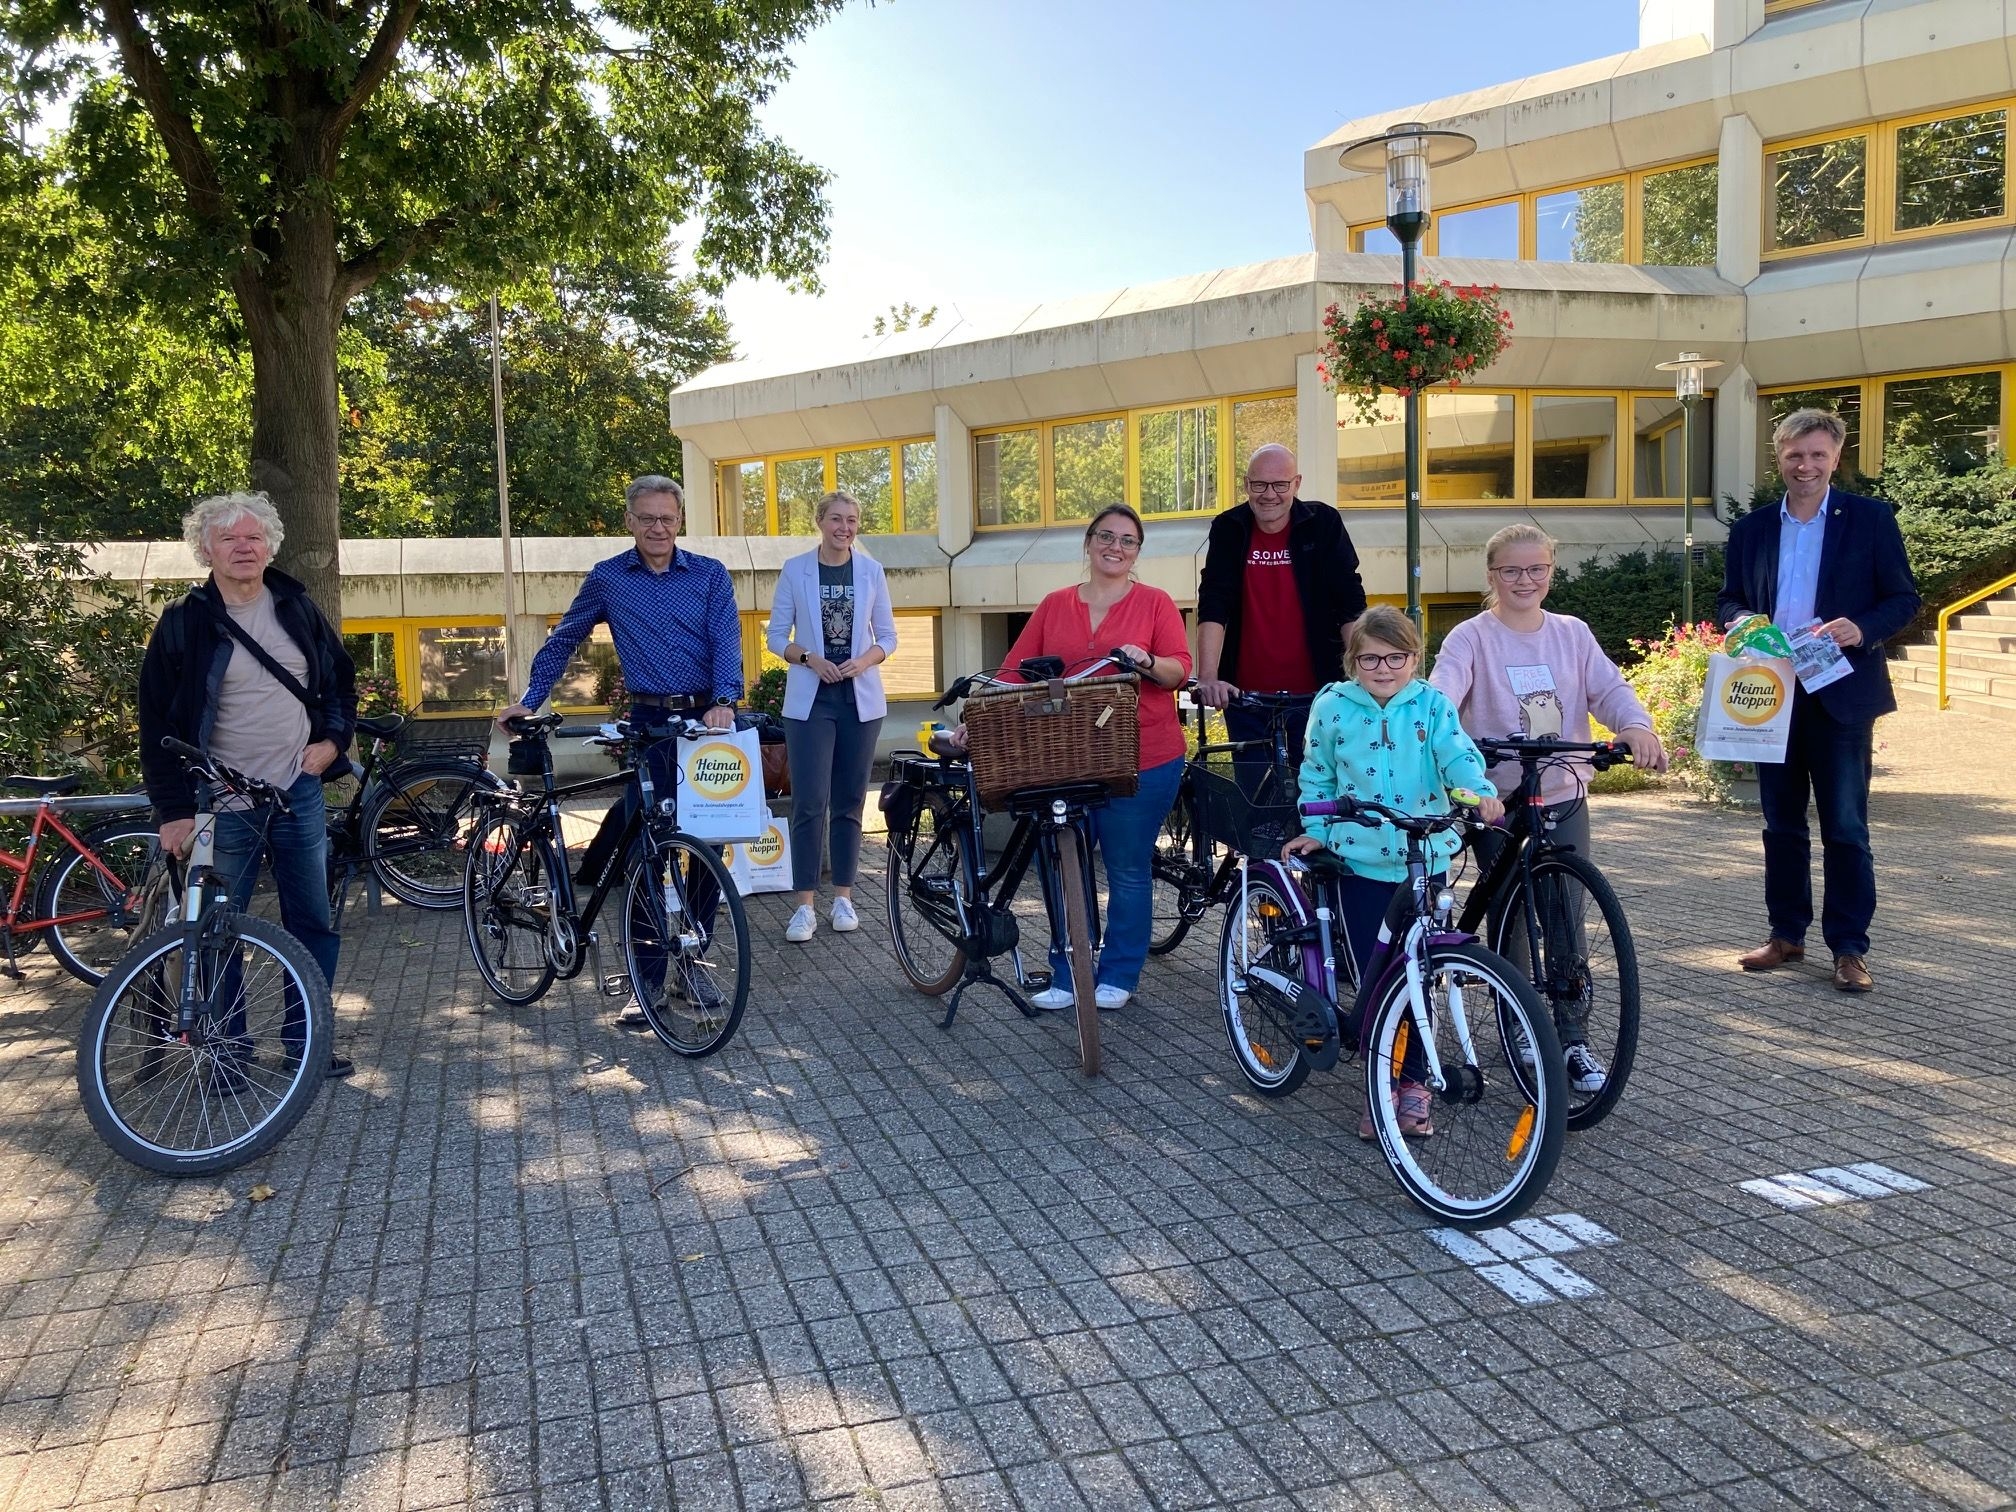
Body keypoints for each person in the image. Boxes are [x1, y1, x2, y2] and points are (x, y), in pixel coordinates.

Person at [1429, 522, 1668, 1094]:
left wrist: (1635, 726)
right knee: (1510, 911)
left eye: (1536, 568)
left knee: (1565, 913)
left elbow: (1609, 690)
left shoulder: (1571, 633)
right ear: (1491, 576)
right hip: (1498, 798)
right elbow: (1442, 695)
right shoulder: (1471, 637)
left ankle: (1572, 1036)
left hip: (1561, 790)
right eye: (1511, 570)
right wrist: (1439, 738)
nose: (1525, 579)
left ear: (1551, 572)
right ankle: (1519, 1024)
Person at [495, 474, 741, 1026]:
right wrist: (530, 700)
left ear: (680, 520)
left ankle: (693, 963)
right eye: (647, 518)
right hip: (649, 720)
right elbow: (563, 639)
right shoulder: (609, 578)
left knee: (710, 842)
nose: (658, 527)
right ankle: (646, 978)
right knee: (645, 849)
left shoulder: (709, 574)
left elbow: (727, 640)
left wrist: (725, 700)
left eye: (667, 518)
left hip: (708, 719)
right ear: (629, 521)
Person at [138, 491, 359, 1078]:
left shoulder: (297, 607)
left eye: (253, 537)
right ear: (205, 550)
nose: (243, 547)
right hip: (220, 802)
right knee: (216, 931)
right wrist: (174, 811)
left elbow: (340, 682)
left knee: (311, 924)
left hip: (297, 793)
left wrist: (334, 742)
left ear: (270, 547)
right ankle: (226, 1053)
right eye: (229, 538)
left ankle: (305, 1045)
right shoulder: (184, 622)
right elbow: (156, 724)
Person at [1717, 409, 1921, 994]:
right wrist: (1742, 620)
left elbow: (1903, 597)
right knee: (1780, 825)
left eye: (1816, 455)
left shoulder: (1871, 520)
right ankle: (1786, 935)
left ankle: (1850, 949)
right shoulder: (1753, 528)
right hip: (1771, 693)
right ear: (1778, 458)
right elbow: (1729, 598)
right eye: (1794, 455)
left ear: (1835, 457)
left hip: (1841, 694)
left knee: (1846, 828)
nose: (1804, 466)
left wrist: (1862, 628)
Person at [1283, 606, 1502, 1137]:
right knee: (1377, 980)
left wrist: (1478, 793)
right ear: (1352, 661)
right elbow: (1317, 771)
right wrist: (1318, 826)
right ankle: (1380, 1086)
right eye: (1370, 659)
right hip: (1357, 860)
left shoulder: (1432, 705)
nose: (1384, 668)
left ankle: (1415, 1082)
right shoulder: (1332, 706)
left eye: (1396, 657)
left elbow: (1457, 758)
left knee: (1420, 975)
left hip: (1424, 858)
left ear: (1415, 658)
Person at [997, 505, 1192, 1011]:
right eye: (1106, 536)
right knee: (1064, 866)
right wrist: (977, 716)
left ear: (1137, 552)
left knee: (1127, 869)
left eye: (1128, 540)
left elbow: (1178, 670)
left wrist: (1148, 661)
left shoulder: (1155, 603)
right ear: (1088, 542)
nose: (1115, 547)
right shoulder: (1055, 604)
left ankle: (1120, 973)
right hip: (1064, 758)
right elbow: (1014, 672)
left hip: (1144, 756)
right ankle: (1068, 970)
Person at [764, 491, 899, 943]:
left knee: (850, 801)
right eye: (837, 519)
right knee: (809, 802)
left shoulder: (872, 571)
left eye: (852, 520)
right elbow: (776, 636)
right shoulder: (795, 569)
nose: (845, 528)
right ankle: (804, 905)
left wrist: (864, 661)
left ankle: (844, 897)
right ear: (820, 521)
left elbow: (888, 637)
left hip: (859, 700)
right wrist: (809, 658)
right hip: (811, 701)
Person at [1194, 443, 1368, 761]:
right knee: (1255, 790)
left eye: (1280, 485)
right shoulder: (1229, 527)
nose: (1269, 495)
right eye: (1259, 485)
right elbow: (1214, 602)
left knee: (1319, 788)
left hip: (1320, 694)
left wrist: (1363, 672)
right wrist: (1207, 677)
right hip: (1246, 698)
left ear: (1296, 484)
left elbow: (1349, 602)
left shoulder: (1323, 523)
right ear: (1246, 484)